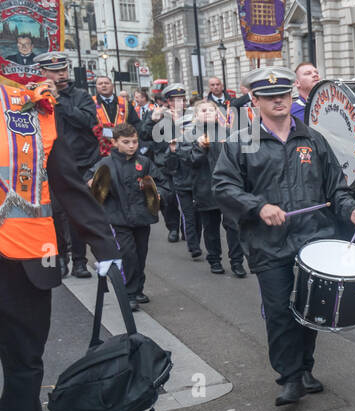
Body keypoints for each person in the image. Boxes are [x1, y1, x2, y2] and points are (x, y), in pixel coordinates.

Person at [213, 66, 355, 406]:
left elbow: (336, 190)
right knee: (279, 311)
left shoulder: (314, 139)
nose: (278, 101)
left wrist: (351, 211)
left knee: (311, 308)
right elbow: (223, 187)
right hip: (267, 243)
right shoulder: (241, 142)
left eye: (283, 95)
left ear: (292, 95)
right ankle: (289, 376)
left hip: (313, 237)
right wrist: (258, 207)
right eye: (269, 97)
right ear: (254, 100)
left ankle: (305, 369)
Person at [0, 75, 120, 411]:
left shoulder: (33, 109)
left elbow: (68, 185)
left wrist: (104, 244)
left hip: (29, 257)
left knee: (26, 362)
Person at [35, 52, 99, 279]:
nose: (61, 74)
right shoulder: (34, 95)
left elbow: (88, 122)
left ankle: (79, 261)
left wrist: (58, 101)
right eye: (55, 71)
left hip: (78, 163)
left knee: (75, 213)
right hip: (47, 163)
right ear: (43, 73)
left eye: (64, 69)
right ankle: (60, 257)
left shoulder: (80, 95)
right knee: (54, 213)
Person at [86, 123, 159, 310]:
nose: (131, 146)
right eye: (126, 142)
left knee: (141, 254)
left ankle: (138, 288)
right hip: (117, 219)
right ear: (114, 142)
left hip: (142, 217)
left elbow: (160, 183)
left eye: (134, 141)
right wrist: (91, 184)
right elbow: (92, 185)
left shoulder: (144, 162)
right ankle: (129, 293)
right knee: (128, 255)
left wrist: (157, 193)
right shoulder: (105, 164)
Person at [183, 99, 246, 277]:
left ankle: (237, 262)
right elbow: (188, 161)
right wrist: (199, 147)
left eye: (211, 110)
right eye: (203, 111)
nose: (207, 113)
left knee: (233, 226)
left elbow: (237, 159)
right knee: (210, 228)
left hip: (227, 187)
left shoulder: (228, 132)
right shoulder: (190, 135)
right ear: (196, 115)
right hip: (204, 187)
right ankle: (215, 260)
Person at [142, 84, 194, 251]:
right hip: (164, 162)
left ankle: (188, 229)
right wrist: (152, 121)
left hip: (185, 161)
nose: (180, 103)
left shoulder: (191, 115)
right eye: (175, 100)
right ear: (168, 102)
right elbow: (143, 134)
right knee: (168, 198)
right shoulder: (157, 115)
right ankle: (173, 227)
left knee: (188, 198)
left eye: (182, 99)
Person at [91, 75, 141, 150]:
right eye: (100, 84)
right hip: (100, 147)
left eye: (106, 83)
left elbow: (136, 124)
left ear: (112, 86)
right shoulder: (90, 104)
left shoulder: (125, 103)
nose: (103, 85)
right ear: (96, 87)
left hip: (124, 147)